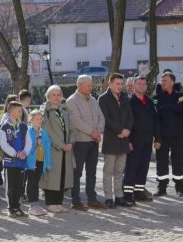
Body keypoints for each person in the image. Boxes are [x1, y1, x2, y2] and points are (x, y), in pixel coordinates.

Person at [66, 75, 106, 211]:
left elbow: (101, 117)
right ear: (79, 85)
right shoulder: (72, 101)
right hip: (80, 142)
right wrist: (92, 132)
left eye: (91, 85)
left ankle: (92, 199)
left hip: (94, 141)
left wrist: (99, 130)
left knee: (92, 172)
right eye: (88, 85)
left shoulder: (93, 100)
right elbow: (76, 121)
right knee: (77, 172)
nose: (91, 87)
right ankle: (76, 201)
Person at [98, 73, 134, 208]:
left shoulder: (125, 97)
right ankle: (108, 198)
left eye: (121, 84)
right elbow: (105, 119)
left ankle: (119, 196)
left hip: (123, 140)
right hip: (111, 139)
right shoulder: (103, 99)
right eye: (117, 84)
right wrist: (120, 130)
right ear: (110, 84)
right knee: (108, 171)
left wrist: (127, 130)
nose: (120, 86)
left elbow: (130, 116)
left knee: (120, 170)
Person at [39, 86, 74, 213]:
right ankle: (50, 203)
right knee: (52, 177)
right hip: (53, 149)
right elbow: (47, 131)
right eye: (53, 94)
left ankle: (58, 203)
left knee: (63, 176)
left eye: (58, 94)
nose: (56, 97)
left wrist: (71, 142)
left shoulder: (65, 110)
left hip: (67, 150)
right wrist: (61, 145)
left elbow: (72, 129)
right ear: (48, 97)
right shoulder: (45, 111)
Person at [123, 76, 157, 204]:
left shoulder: (149, 101)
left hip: (147, 141)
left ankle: (139, 192)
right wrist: (128, 141)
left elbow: (155, 121)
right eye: (139, 84)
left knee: (143, 168)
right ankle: (127, 194)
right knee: (131, 168)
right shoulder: (128, 101)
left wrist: (157, 138)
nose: (142, 86)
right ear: (134, 85)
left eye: (144, 84)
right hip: (133, 141)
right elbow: (125, 122)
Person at [153, 72, 183, 197]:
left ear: (172, 82)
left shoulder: (180, 95)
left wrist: (165, 107)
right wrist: (173, 107)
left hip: (177, 135)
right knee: (161, 162)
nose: (163, 83)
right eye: (162, 81)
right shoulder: (157, 97)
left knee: (178, 161)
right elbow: (157, 113)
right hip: (162, 135)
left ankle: (180, 188)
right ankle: (161, 188)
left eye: (165, 80)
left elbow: (181, 108)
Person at [0, 102, 32, 217]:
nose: (21, 112)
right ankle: (11, 208)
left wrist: (25, 152)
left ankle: (17, 206)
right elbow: (4, 145)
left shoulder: (23, 126)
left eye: (21, 110)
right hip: (10, 162)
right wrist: (15, 154)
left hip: (21, 161)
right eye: (19, 110)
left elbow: (29, 142)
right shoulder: (4, 126)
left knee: (19, 186)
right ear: (11, 112)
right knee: (10, 186)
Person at [25, 110, 50, 216]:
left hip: (40, 161)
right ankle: (32, 206)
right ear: (31, 120)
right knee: (31, 183)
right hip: (31, 163)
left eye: (40, 119)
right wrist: (37, 142)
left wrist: (48, 163)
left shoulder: (43, 132)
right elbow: (27, 148)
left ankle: (36, 204)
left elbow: (47, 148)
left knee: (36, 183)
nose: (39, 121)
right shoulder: (28, 132)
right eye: (37, 119)